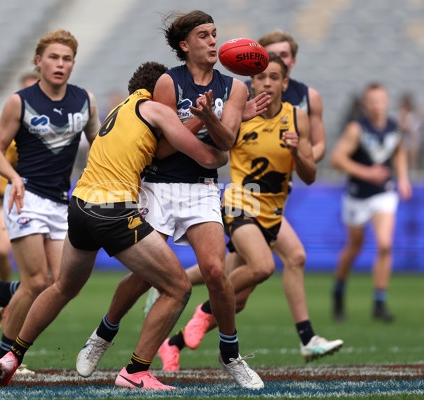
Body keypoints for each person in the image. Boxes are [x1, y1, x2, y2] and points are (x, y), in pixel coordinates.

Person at [0, 61, 229, 390]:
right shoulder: (157, 109)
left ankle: (11, 357)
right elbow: (206, 156)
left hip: (80, 204)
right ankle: (136, 371)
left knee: (62, 287)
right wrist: (216, 138)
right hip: (113, 209)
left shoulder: (122, 109)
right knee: (178, 288)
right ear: (160, 90)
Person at [73, 10, 265, 390]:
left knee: (214, 270)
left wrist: (211, 116)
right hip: (158, 186)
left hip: (201, 188)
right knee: (146, 274)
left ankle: (231, 353)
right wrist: (199, 120)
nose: (213, 41)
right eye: (204, 36)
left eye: (215, 34)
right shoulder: (167, 82)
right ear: (184, 45)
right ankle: (103, 334)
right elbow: (159, 151)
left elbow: (226, 144)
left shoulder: (236, 89)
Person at [152, 29, 343, 364]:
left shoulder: (297, 118)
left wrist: (299, 154)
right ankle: (204, 310)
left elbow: (310, 176)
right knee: (264, 265)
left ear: (286, 84)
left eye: (274, 78)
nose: (266, 83)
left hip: (273, 209)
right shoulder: (238, 116)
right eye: (260, 77)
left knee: (236, 298)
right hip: (241, 200)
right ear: (250, 83)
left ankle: (174, 341)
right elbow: (219, 142)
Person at [0, 29, 101, 374]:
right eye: (53, 57)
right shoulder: (19, 101)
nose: (60, 64)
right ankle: (7, 358)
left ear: (73, 64)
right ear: (39, 61)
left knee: (61, 285)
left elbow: (99, 144)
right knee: (37, 281)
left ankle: (4, 292)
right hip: (26, 197)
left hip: (61, 202)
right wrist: (14, 176)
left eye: (66, 59)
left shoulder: (85, 101)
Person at [331, 83, 412, 322]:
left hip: (384, 193)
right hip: (357, 196)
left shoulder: (394, 127)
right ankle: (338, 291)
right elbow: (337, 158)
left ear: (387, 102)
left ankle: (379, 302)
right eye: (372, 101)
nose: (377, 106)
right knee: (354, 247)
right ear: (365, 104)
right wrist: (367, 173)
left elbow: (398, 151)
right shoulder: (357, 129)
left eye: (381, 100)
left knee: (385, 244)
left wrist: (404, 178)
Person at [0, 72, 39, 342]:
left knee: (46, 279)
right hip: (8, 197)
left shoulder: (49, 123)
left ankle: (4, 292)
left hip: (40, 199)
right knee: (4, 252)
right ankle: (4, 294)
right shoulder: (12, 119)